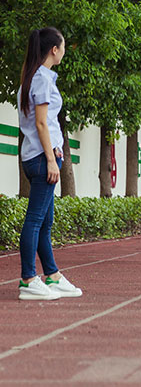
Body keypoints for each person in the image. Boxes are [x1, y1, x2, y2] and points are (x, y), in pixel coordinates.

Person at [17, 27, 82, 300]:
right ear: (54, 50)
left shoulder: (31, 78)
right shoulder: (41, 79)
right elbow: (42, 123)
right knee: (35, 220)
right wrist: (51, 159)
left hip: (34, 155)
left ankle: (52, 275)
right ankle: (28, 279)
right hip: (43, 158)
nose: (64, 51)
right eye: (63, 46)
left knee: (45, 221)